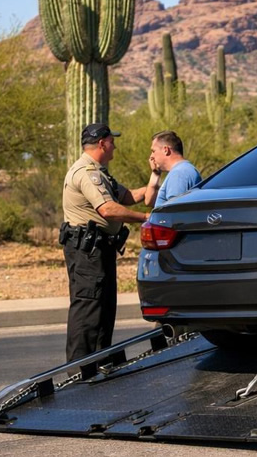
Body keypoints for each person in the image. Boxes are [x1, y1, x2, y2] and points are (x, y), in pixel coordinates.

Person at [60, 123, 152, 362]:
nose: (115, 145)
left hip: (99, 249)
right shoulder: (86, 173)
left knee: (103, 305)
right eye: (112, 141)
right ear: (102, 143)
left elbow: (127, 196)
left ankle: (101, 360)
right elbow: (108, 209)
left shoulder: (100, 173)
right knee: (88, 305)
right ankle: (80, 367)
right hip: (87, 251)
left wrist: (157, 180)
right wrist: (144, 218)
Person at [146, 130, 202, 209]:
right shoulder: (184, 170)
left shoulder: (179, 174)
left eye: (153, 151)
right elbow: (149, 201)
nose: (151, 156)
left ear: (166, 150)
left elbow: (174, 211)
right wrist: (156, 173)